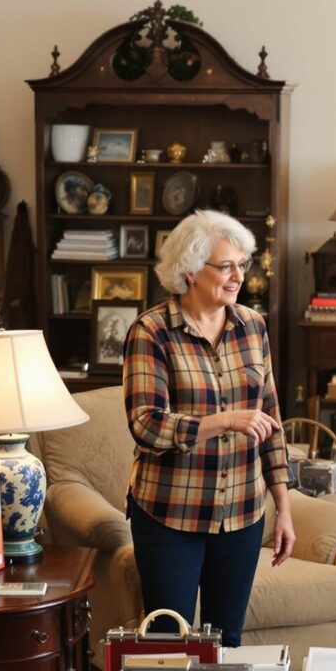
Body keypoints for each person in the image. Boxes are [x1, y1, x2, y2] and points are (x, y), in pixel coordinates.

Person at [123, 210, 295, 646]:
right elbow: (146, 425)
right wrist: (224, 421)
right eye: (226, 266)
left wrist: (284, 510)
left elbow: (271, 420)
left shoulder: (253, 327)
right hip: (169, 516)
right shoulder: (151, 332)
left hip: (241, 515)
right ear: (191, 270)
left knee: (227, 643)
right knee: (167, 644)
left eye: (243, 264)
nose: (239, 276)